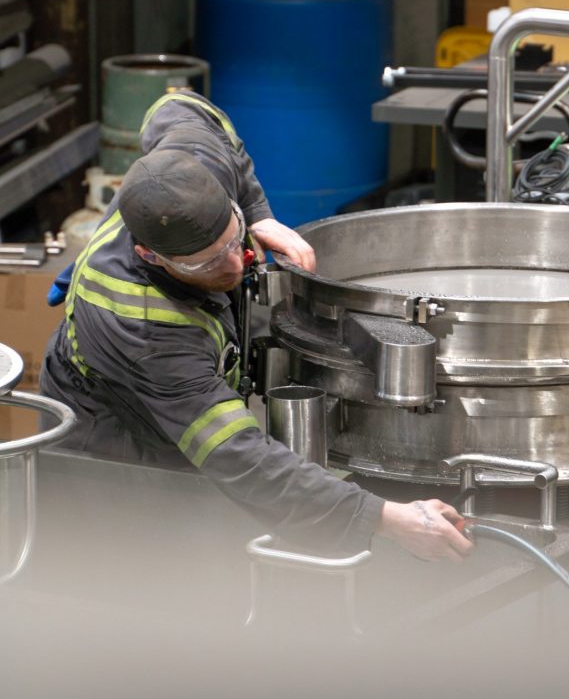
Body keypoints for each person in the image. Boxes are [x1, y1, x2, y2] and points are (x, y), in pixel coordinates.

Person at [40, 89, 472, 563]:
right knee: (142, 566)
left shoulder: (195, 167)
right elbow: (237, 454)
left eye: (234, 239)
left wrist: (259, 215)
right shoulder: (146, 331)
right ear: (150, 256)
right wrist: (382, 518)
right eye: (208, 265)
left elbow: (182, 105)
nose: (236, 265)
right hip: (112, 439)